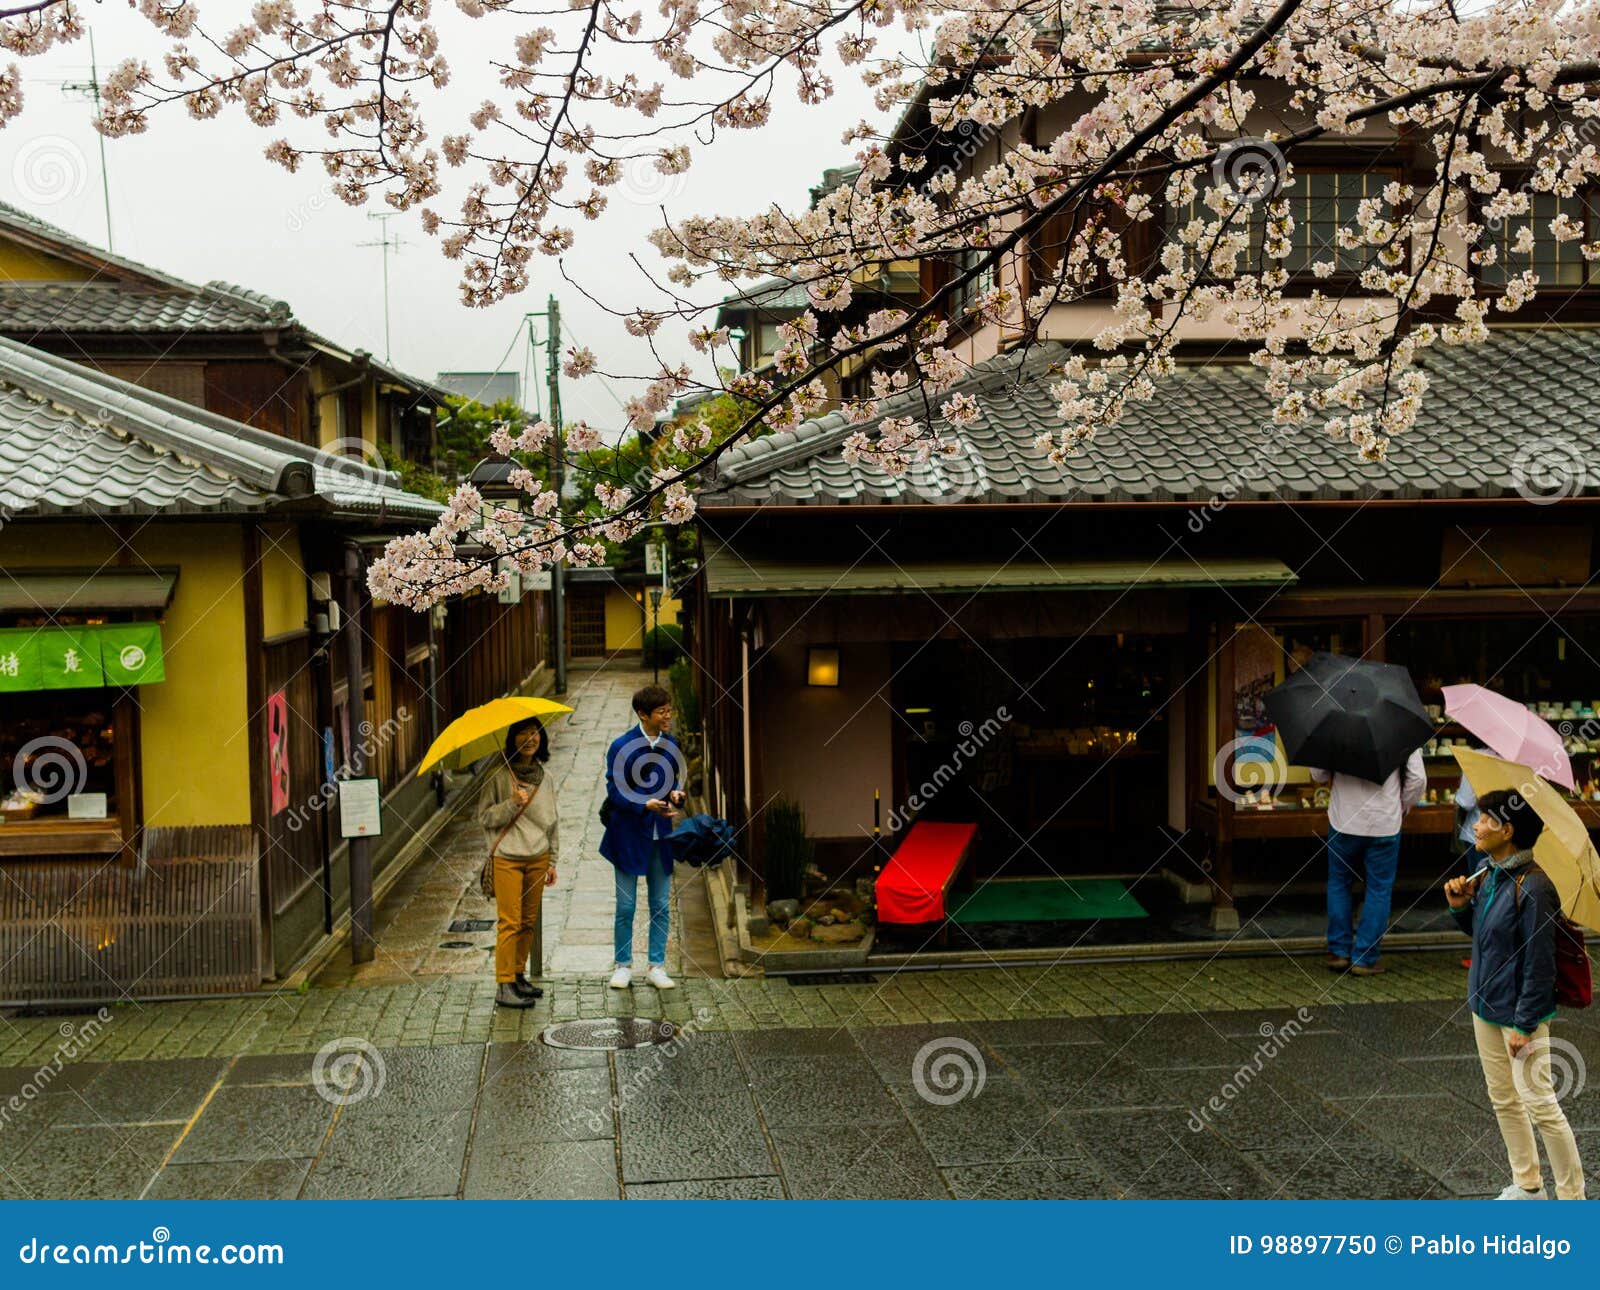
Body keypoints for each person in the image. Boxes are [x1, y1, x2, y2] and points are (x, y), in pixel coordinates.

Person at [1444, 788, 1584, 1201]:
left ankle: (1573, 1198)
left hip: (1518, 1013)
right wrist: (1460, 908)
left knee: (1540, 1104)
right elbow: (1487, 941)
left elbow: (1541, 965)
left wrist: (1525, 1024)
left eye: (1485, 820)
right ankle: (1528, 1185)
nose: (1477, 826)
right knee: (1504, 1099)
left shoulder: (1535, 888)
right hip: (1485, 1005)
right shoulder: (1489, 876)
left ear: (1507, 830)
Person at [601, 684, 685, 991]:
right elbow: (615, 790)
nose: (668, 716)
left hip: (660, 836)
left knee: (661, 904)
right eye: (662, 711)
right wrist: (642, 805)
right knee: (626, 906)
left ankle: (656, 965)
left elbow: (673, 783)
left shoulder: (671, 745)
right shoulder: (621, 746)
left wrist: (675, 796)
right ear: (643, 714)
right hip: (627, 835)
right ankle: (622, 965)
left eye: (669, 710)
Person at [1311, 748, 1425, 974]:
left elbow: (1318, 774)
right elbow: (1418, 778)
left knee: (1339, 884)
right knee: (1379, 889)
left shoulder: (1337, 724)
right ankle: (1365, 957)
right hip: (1384, 821)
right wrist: (1402, 805)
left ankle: (1338, 951)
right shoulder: (1400, 727)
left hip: (1344, 818)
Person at [477, 717, 559, 1009]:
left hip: (538, 858)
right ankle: (503, 985)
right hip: (508, 860)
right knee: (509, 923)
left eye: (535, 732)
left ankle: (517, 975)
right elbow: (485, 817)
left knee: (527, 922)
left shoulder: (544, 777)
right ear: (513, 739)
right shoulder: (499, 776)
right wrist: (512, 804)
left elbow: (552, 822)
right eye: (523, 732)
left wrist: (552, 859)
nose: (530, 737)